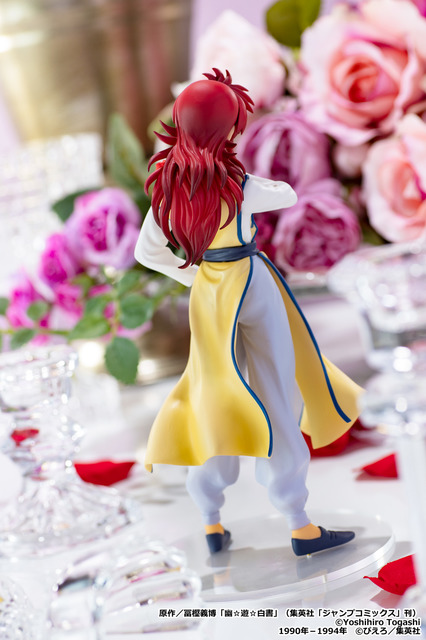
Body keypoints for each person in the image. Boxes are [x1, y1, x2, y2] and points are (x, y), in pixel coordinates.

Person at [135, 69, 362, 556]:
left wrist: (194, 277)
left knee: (212, 393)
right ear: (225, 129)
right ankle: (299, 522)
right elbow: (288, 194)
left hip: (210, 293)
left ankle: (210, 519)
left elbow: (147, 252)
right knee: (277, 392)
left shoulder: (169, 189)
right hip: (251, 282)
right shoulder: (238, 183)